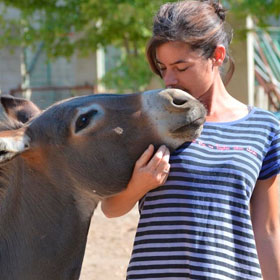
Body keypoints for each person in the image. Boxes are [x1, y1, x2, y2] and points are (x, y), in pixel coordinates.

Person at [101, 0, 280, 279]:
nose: (169, 79)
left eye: (181, 67)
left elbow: (267, 230)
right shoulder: (150, 124)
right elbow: (111, 208)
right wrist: (140, 185)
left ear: (217, 56)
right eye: (163, 68)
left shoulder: (264, 128)